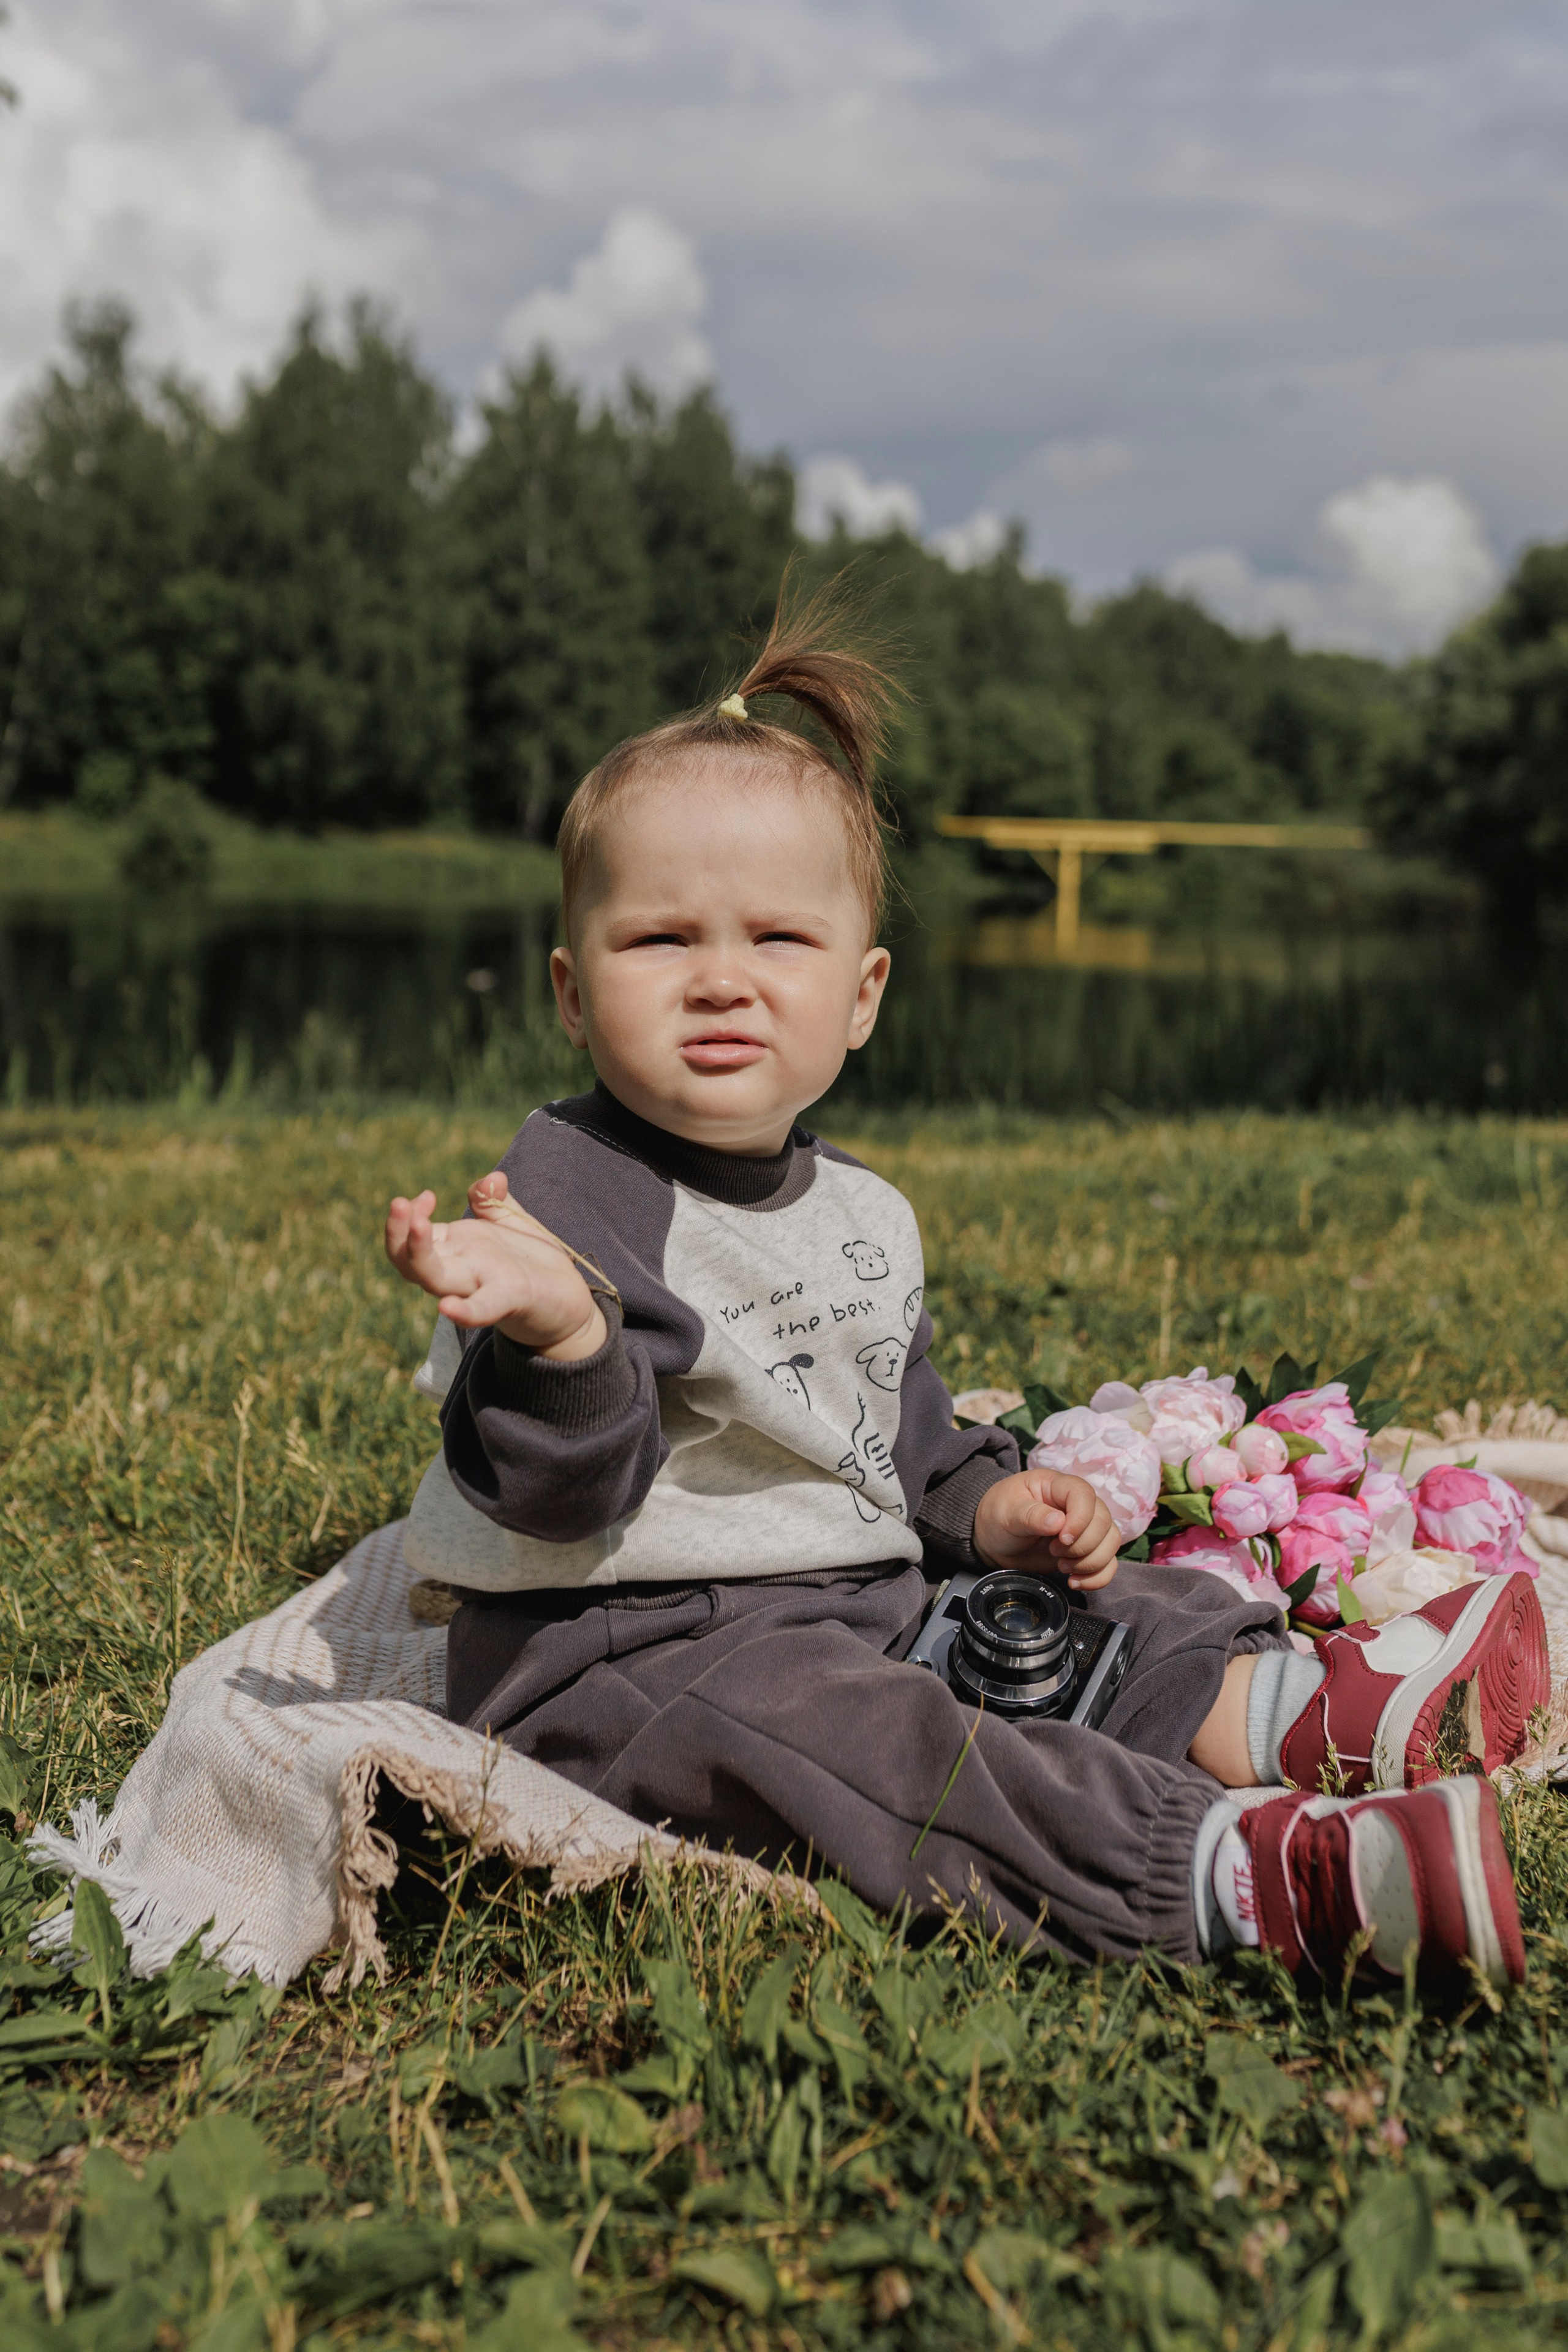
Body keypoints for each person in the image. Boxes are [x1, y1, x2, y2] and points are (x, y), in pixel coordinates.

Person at [384, 588, 1547, 1992]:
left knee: (1086, 1619)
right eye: (660, 942)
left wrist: (979, 1502)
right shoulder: (562, 1196)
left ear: (861, 995)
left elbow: (894, 1431)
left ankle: (1299, 1713)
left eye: (776, 941)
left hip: (847, 1592)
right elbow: (561, 1499)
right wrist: (561, 1336)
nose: (721, 984)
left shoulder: (859, 1210)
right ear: (572, 993)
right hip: (631, 1647)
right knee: (895, 1756)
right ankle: (1239, 1874)